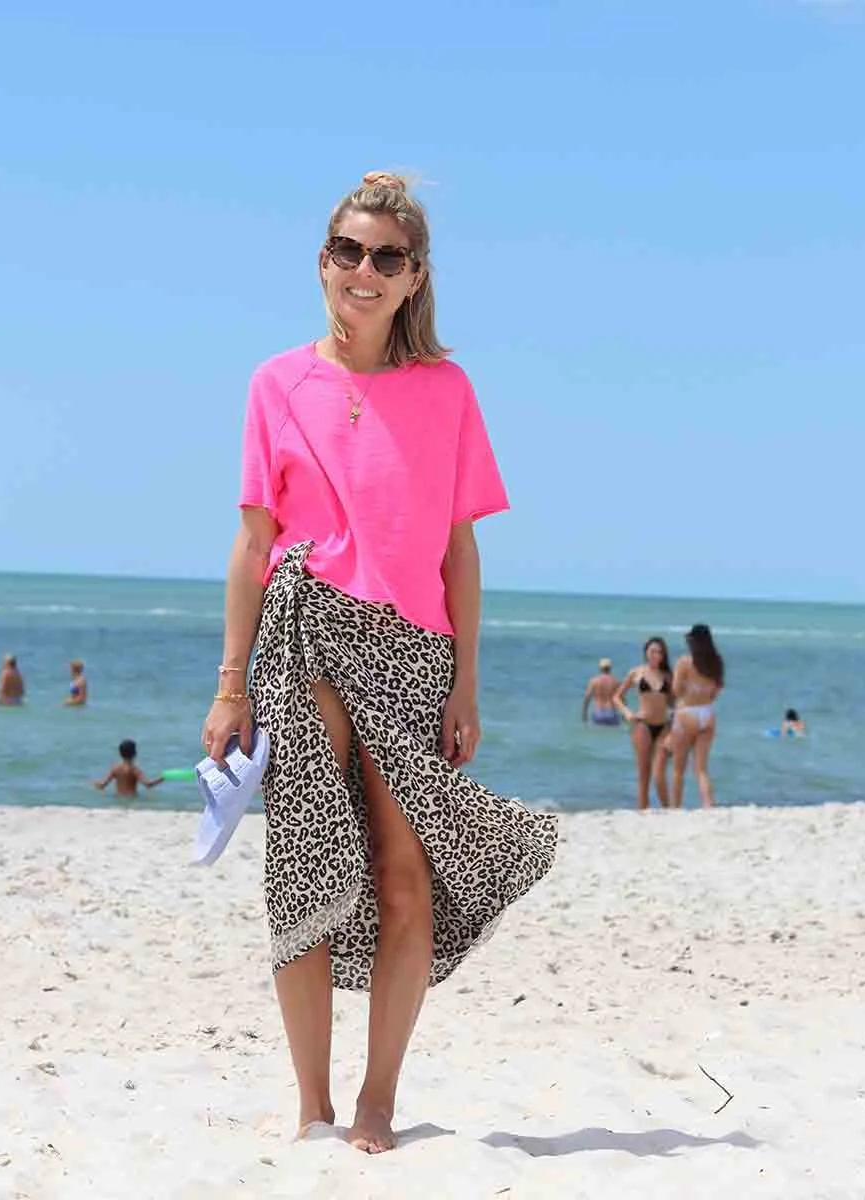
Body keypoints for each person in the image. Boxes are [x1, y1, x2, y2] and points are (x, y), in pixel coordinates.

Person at [199, 171, 558, 1155]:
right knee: (305, 867)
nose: (365, 270)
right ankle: (310, 1107)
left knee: (405, 875)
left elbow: (459, 549)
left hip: (412, 651)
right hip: (303, 638)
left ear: (414, 277)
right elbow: (251, 543)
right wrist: (230, 685)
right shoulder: (276, 383)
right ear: (324, 264)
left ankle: (377, 1103)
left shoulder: (448, 390)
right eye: (349, 252)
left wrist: (468, 682)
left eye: (386, 257)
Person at [669, 624, 725, 808]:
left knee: (678, 769)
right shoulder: (717, 663)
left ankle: (675, 808)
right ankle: (708, 805)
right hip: (707, 713)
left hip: (687, 712)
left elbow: (676, 691)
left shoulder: (684, 662)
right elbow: (715, 693)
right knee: (701, 769)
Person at [614, 637, 673, 810]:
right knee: (644, 775)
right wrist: (627, 713)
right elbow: (617, 697)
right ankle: (643, 812)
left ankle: (669, 810)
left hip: (664, 727)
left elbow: (675, 703)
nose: (656, 655)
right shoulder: (636, 673)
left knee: (659, 774)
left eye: (659, 652)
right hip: (642, 725)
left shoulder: (668, 676)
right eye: (652, 651)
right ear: (646, 652)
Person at [92, 739, 163, 797]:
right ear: (135, 753)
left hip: (118, 798)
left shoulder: (115, 768)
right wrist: (163, 777)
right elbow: (148, 784)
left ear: (120, 754)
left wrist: (93, 783)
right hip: (131, 799)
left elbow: (102, 785)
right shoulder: (134, 769)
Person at [582, 658, 621, 725]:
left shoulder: (593, 681)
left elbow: (587, 698)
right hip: (612, 713)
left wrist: (584, 714)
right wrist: (624, 715)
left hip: (598, 713)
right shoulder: (616, 681)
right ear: (610, 668)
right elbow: (622, 700)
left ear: (599, 668)